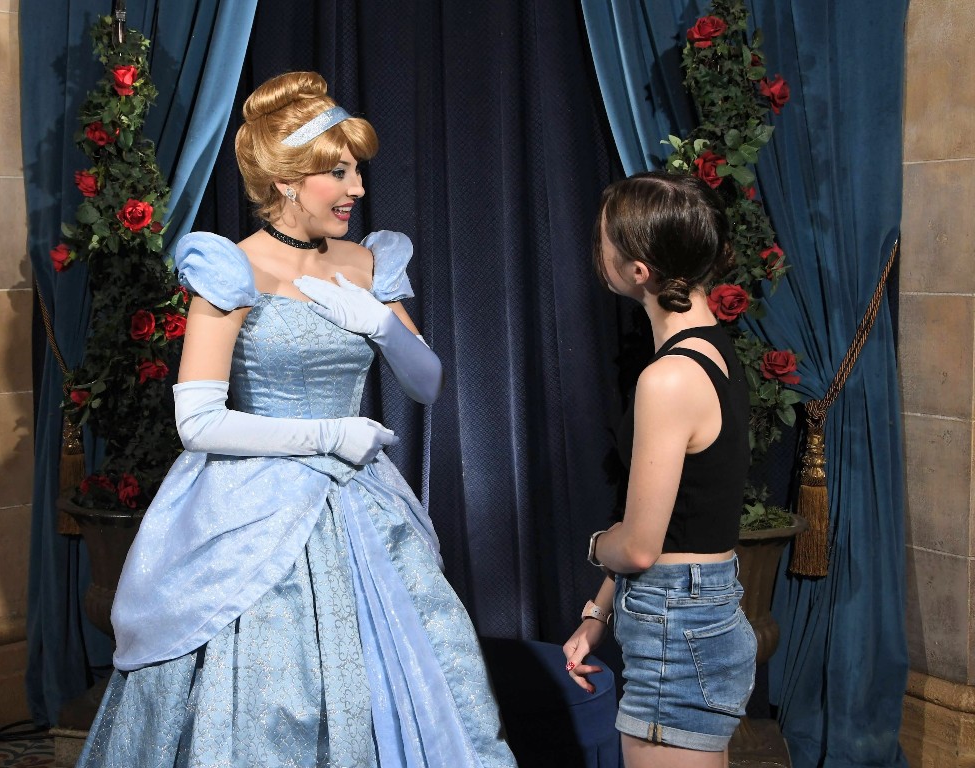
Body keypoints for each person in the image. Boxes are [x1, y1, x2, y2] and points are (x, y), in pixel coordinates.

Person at [76, 71, 517, 768]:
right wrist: (327, 436)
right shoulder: (232, 269)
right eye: (338, 173)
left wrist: (381, 324)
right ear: (286, 181)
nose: (357, 190)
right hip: (249, 510)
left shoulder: (370, 261)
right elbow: (198, 423)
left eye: (356, 171)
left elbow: (427, 384)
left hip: (361, 505)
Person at [562, 171, 757, 768]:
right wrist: (597, 613)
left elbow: (640, 546)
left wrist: (597, 546)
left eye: (604, 239)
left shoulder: (668, 377)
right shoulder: (712, 349)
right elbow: (665, 525)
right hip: (690, 612)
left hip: (679, 626)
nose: (599, 250)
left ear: (639, 271)